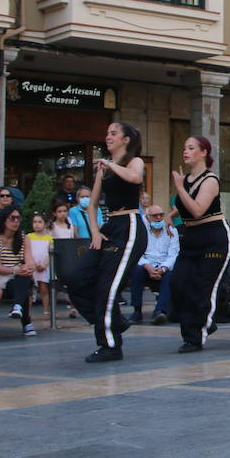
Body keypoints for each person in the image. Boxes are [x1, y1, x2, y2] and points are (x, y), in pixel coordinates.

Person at [69, 122, 147, 362]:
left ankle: (110, 346)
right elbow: (92, 204)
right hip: (109, 227)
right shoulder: (105, 169)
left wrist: (110, 164)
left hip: (130, 226)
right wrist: (94, 231)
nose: (108, 137)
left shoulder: (135, 161)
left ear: (126, 139)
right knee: (77, 280)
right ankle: (115, 321)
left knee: (107, 287)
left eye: (114, 133)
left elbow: (134, 178)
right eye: (107, 133)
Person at [167, 136, 230, 352]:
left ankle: (193, 338)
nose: (186, 151)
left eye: (191, 148)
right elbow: (184, 206)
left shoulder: (210, 180)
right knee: (178, 284)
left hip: (213, 236)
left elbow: (197, 208)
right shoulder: (186, 180)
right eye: (184, 147)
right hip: (190, 237)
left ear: (203, 152)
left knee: (201, 288)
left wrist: (178, 186)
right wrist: (169, 215)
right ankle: (205, 321)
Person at [0, 205, 37, 338]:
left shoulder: (23, 238)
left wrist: (28, 268)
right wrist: (16, 270)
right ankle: (26, 321)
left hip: (18, 276)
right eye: (12, 218)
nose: (16, 221)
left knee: (25, 279)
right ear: (4, 220)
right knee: (23, 283)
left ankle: (17, 307)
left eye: (18, 218)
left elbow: (30, 261)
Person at [130, 205, 178, 324]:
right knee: (136, 270)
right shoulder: (141, 232)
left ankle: (159, 311)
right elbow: (136, 253)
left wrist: (162, 268)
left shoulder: (171, 230)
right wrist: (148, 266)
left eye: (161, 215)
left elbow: (174, 254)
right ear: (147, 217)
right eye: (154, 216)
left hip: (164, 267)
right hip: (146, 267)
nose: (158, 218)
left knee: (171, 275)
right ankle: (137, 311)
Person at [25, 213, 54, 319]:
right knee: (29, 289)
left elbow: (50, 253)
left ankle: (46, 310)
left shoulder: (49, 238)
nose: (37, 224)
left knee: (44, 288)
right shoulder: (28, 237)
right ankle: (27, 312)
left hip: (43, 267)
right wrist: (32, 263)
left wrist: (44, 265)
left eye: (40, 222)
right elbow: (27, 251)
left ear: (45, 224)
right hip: (31, 266)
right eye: (35, 222)